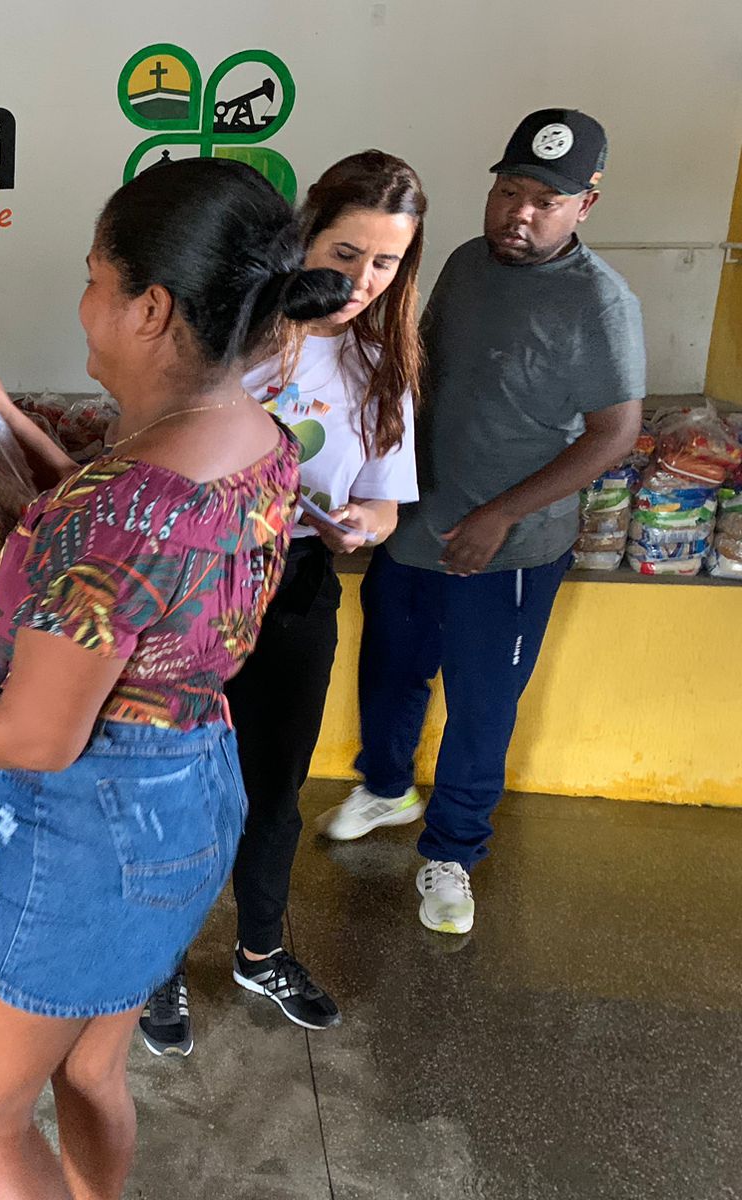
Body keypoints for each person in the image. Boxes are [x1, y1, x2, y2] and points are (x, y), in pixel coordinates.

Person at [0, 158, 352, 1200]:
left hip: (89, 835)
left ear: (150, 308)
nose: (84, 303)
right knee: (87, 1068)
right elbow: (133, 543)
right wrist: (4, 419)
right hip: (192, 793)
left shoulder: (118, 504)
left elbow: (36, 734)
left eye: (93, 280)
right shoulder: (251, 436)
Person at [320, 109, 645, 936]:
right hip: (416, 522)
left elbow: (615, 434)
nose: (519, 215)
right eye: (509, 192)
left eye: (546, 201)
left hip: (509, 550)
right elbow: (419, 373)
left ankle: (453, 852)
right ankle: (386, 789)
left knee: (482, 703)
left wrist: (500, 515)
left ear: (586, 205)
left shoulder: (600, 304)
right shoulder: (466, 262)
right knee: (389, 672)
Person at [137, 150, 428, 1052]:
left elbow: (385, 499)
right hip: (196, 584)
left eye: (384, 264)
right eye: (344, 254)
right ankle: (156, 966)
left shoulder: (384, 361)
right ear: (304, 236)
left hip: (298, 587)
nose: (361, 281)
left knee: (276, 786)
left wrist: (364, 526)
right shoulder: (239, 331)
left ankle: (260, 950)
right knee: (176, 780)